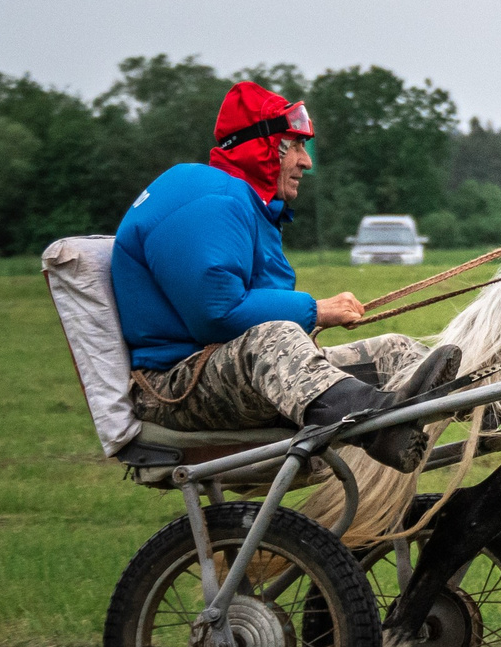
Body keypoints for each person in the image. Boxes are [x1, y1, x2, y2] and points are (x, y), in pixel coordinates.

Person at [112, 80, 458, 472]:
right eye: (294, 146)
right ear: (261, 148)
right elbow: (217, 313)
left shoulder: (244, 205)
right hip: (173, 390)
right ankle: (381, 426)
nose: (306, 161)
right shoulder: (206, 197)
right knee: (276, 338)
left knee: (394, 350)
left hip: (231, 375)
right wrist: (316, 310)